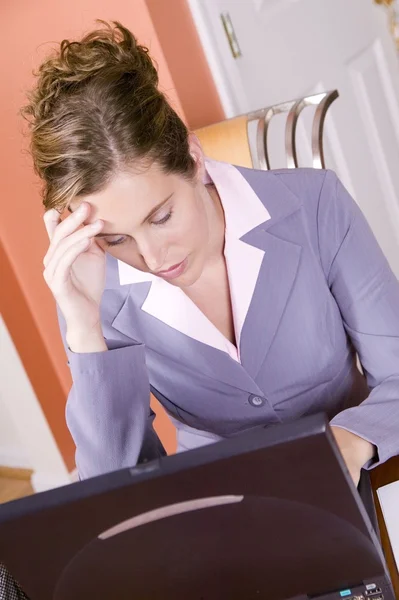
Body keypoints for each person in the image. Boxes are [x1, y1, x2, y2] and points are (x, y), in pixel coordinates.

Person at [23, 21, 399, 486]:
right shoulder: (92, 287)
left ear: (194, 158)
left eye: (160, 217)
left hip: (351, 480)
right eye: (116, 238)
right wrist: (84, 329)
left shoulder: (316, 205)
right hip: (217, 513)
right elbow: (117, 489)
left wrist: (350, 439)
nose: (153, 257)